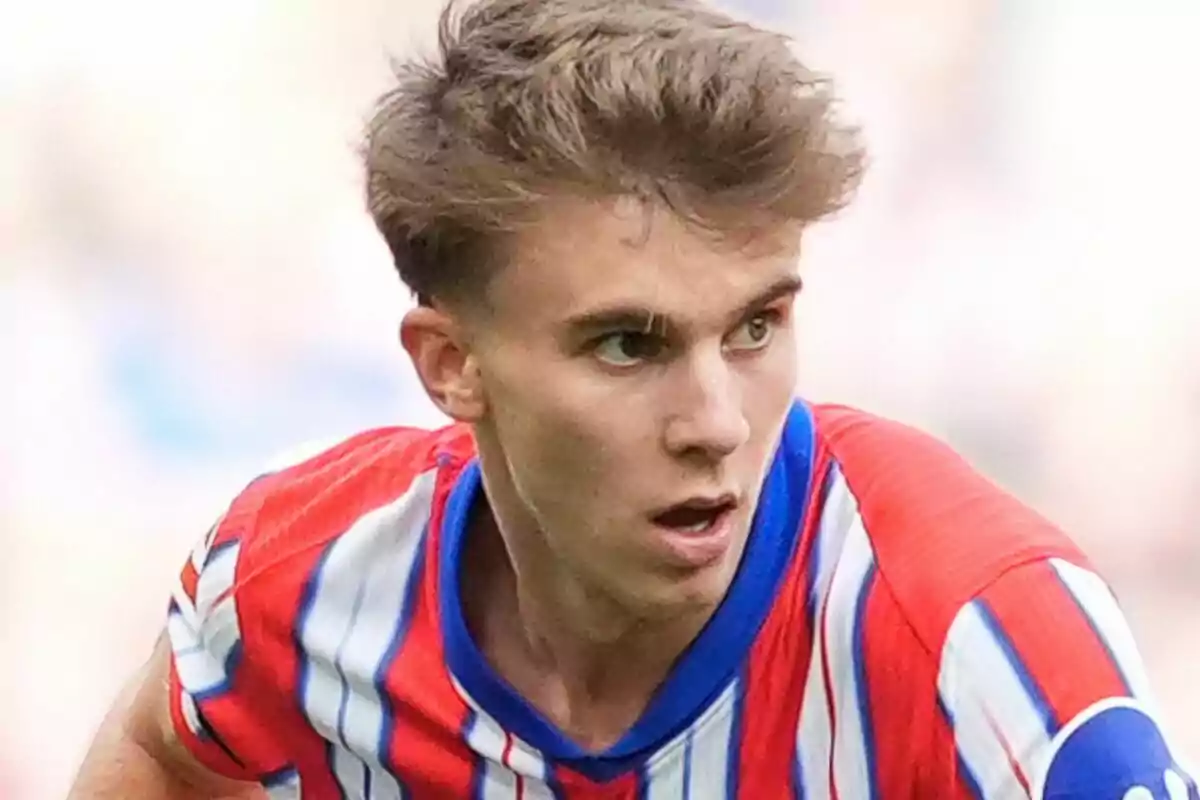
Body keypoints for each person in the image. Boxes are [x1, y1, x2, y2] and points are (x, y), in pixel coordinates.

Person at [68, 0, 1195, 797]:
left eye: (757, 324)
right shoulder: (296, 577)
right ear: (449, 363)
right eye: (627, 343)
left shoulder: (973, 632)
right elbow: (168, 750)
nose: (717, 419)